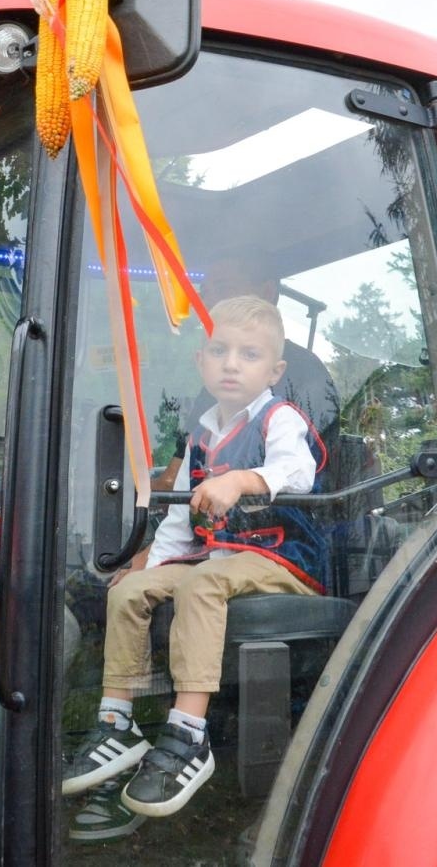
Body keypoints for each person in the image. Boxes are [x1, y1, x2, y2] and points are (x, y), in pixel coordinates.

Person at [61, 296, 328, 817]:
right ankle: (118, 721)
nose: (232, 364)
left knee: (201, 584)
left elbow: (298, 471)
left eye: (249, 355)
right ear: (200, 362)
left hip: (282, 558)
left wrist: (244, 479)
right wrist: (151, 567)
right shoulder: (202, 435)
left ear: (274, 370)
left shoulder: (280, 418)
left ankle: (188, 734)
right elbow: (182, 521)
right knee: (132, 589)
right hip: (219, 560)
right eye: (219, 351)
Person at [152, 256, 339, 491]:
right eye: (204, 292)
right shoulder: (219, 391)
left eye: (222, 288)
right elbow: (175, 478)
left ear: (267, 292)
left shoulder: (303, 376)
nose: (207, 302)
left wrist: (242, 482)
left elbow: (306, 474)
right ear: (200, 361)